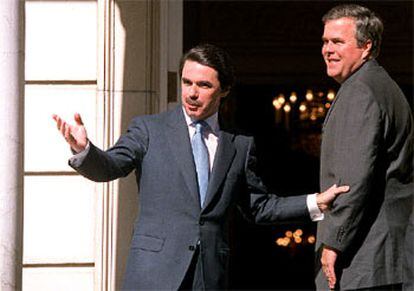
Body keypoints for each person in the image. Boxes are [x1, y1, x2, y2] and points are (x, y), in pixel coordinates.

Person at [53, 43, 348, 290]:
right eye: (187, 82)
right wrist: (84, 150)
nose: (192, 93)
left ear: (224, 90)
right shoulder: (148, 129)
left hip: (208, 276)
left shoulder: (239, 145)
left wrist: (314, 202)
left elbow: (258, 207)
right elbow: (110, 166)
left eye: (204, 85)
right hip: (154, 275)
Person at [315, 4, 414, 290]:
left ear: (366, 46)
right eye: (325, 41)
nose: (327, 50)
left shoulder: (360, 91)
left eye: (337, 42)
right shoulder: (382, 85)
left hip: (364, 260)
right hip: (385, 258)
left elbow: (351, 181)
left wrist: (334, 241)